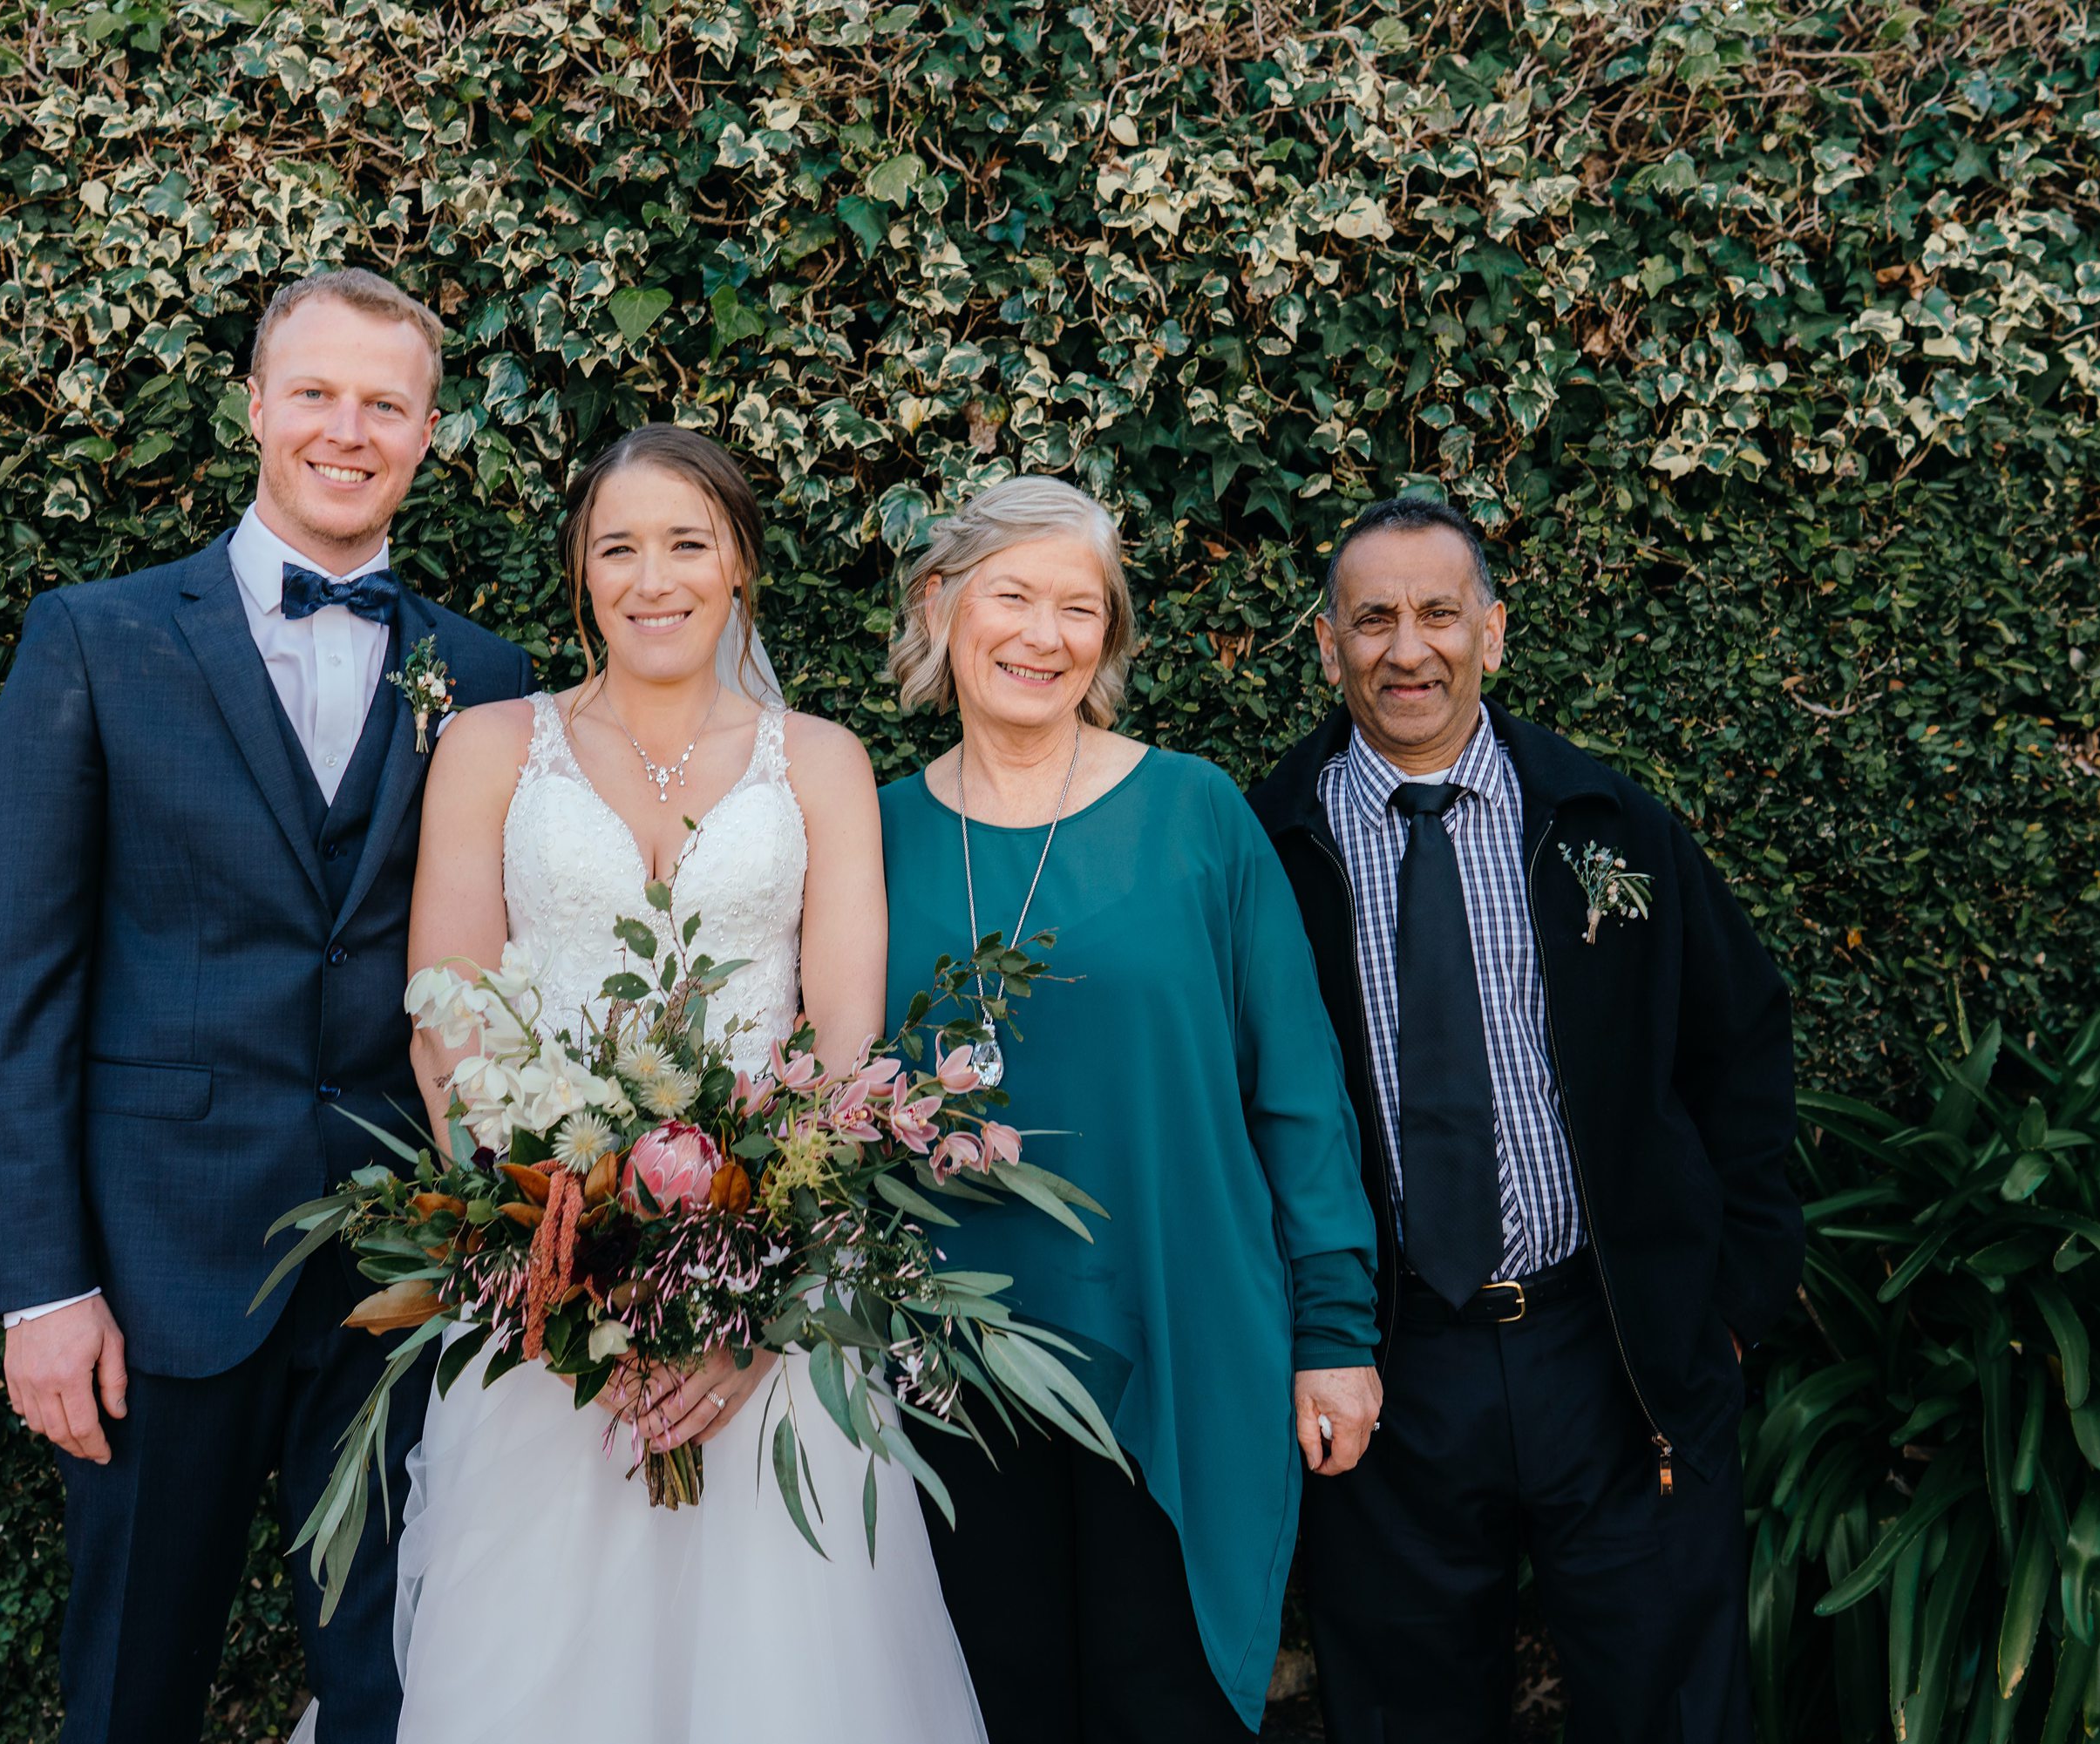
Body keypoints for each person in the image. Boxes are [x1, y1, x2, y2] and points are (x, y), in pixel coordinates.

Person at [0, 268, 533, 1743]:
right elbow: (20, 990)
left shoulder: (481, 677)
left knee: (392, 1686)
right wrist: (43, 1284)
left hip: (403, 1282)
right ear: (258, 408)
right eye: (318, 394)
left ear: (426, 432)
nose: (349, 429)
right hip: (160, 1274)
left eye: (386, 404)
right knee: (134, 1683)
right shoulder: (93, 639)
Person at [371, 424, 985, 1743]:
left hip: (767, 1299)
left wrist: (754, 1302)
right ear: (581, 575)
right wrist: (546, 1263)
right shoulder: (488, 746)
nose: (655, 577)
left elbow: (840, 1051)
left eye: (688, 543)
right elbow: (448, 1020)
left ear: (741, 568)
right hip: (539, 1299)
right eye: (618, 548)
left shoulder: (817, 761)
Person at [1245, 495, 1803, 1743]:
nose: (1408, 648)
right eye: (1372, 618)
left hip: (1608, 1346)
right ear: (1327, 644)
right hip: (1388, 1362)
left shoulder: (1610, 823)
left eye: (1439, 613)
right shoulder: (1264, 847)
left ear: (1491, 633)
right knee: (1405, 1711)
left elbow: (1742, 1042)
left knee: (1669, 1701)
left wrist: (1726, 1306)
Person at [876, 475, 1382, 1742]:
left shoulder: (1197, 812)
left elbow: (1301, 1091)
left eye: (1080, 608)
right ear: (941, 604)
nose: (1044, 635)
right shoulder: (867, 834)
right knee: (997, 1707)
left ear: (1110, 637)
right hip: (951, 1377)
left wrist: (1336, 1327)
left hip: (1179, 1342)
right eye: (1013, 596)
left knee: (1170, 1709)